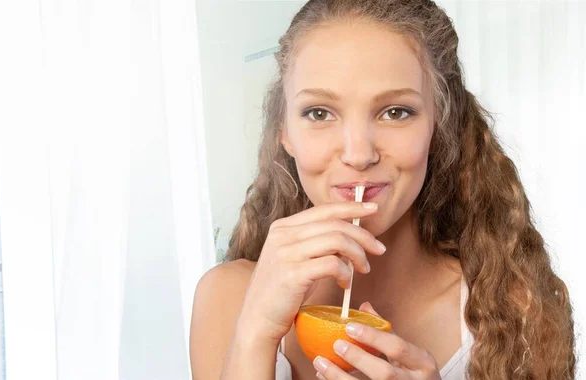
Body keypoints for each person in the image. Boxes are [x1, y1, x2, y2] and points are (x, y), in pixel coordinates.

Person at [190, 0, 576, 379]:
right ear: (285, 134)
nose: (359, 155)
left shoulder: (513, 315)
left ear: (437, 127)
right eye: (319, 113)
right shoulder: (228, 299)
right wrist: (254, 337)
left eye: (395, 112)